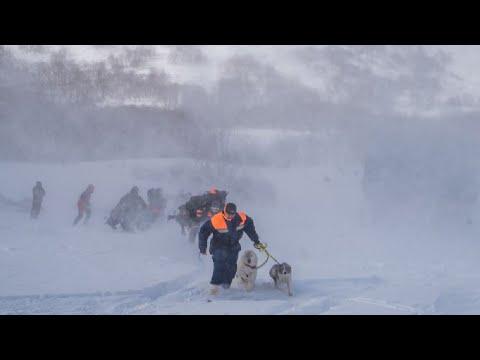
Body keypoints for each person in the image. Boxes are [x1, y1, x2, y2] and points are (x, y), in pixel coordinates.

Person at [198, 202, 265, 296]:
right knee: (219, 264)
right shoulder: (217, 219)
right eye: (228, 213)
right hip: (218, 246)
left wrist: (256, 241)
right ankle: (214, 287)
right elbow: (203, 231)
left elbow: (250, 228)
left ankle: (225, 286)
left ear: (235, 213)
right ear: (224, 211)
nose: (230, 216)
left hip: (233, 247)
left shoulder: (242, 218)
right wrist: (202, 247)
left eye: (232, 214)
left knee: (232, 267)